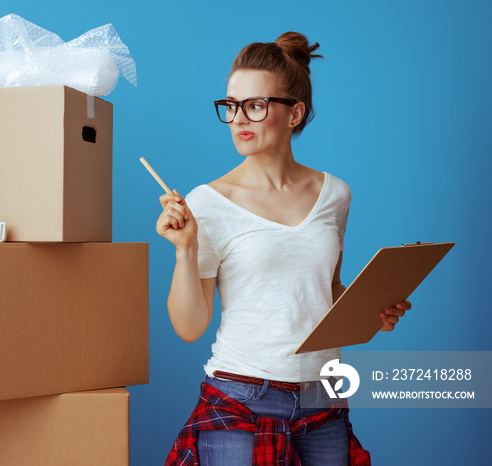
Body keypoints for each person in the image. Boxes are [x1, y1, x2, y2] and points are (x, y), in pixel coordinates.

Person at [157, 32, 411, 466]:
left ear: (295, 113)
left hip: (325, 398)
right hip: (242, 398)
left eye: (255, 105)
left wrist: (371, 311)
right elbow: (189, 326)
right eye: (231, 105)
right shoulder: (208, 203)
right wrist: (185, 250)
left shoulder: (334, 193)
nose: (239, 119)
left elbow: (325, 288)